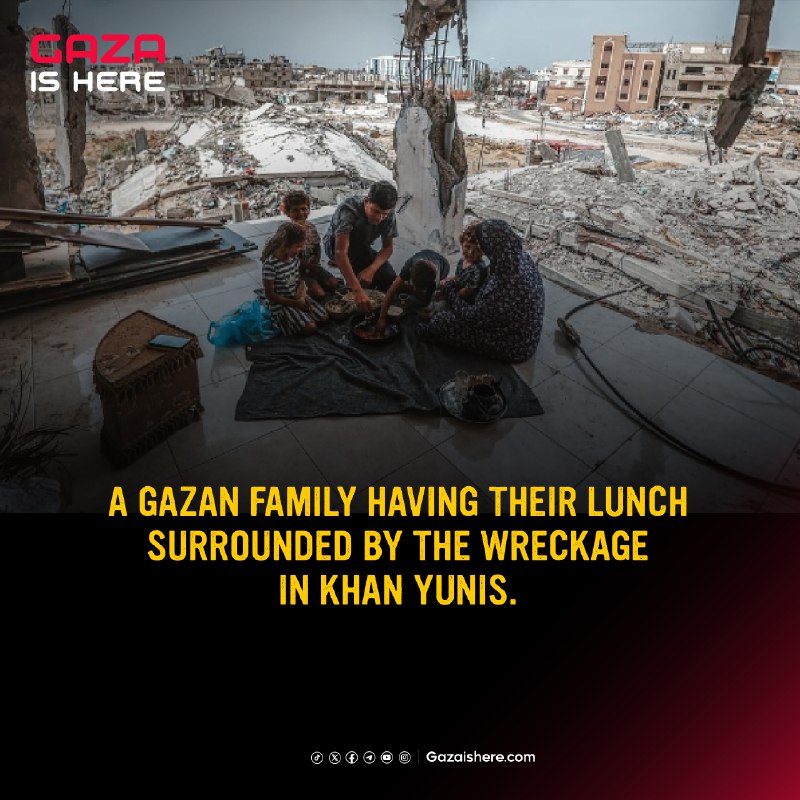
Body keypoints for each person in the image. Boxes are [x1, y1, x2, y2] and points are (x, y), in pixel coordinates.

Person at [416, 219, 545, 363]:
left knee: (442, 321)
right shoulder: (518, 257)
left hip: (514, 344)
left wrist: (449, 291)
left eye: (481, 246)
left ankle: (429, 331)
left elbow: (472, 317)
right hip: (525, 334)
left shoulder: (505, 280)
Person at [323, 180, 399, 313]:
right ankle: (345, 265)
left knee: (389, 277)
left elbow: (388, 248)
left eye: (384, 214)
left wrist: (371, 269)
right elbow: (340, 252)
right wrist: (357, 290)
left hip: (363, 246)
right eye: (376, 211)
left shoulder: (389, 213)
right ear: (366, 201)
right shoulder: (349, 209)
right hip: (336, 246)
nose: (380, 218)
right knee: (358, 282)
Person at [261, 222, 329, 336]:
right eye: (298, 246)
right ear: (285, 245)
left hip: (297, 299)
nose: (300, 250)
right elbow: (270, 295)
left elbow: (298, 279)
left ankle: (300, 316)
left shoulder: (293, 259)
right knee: (310, 328)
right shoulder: (270, 265)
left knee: (324, 318)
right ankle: (284, 321)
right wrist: (295, 304)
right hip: (282, 305)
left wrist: (303, 295)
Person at [280, 189, 339, 301]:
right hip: (297, 272)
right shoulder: (287, 233)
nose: (301, 213)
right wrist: (310, 267)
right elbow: (290, 259)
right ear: (288, 212)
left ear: (309, 209)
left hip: (313, 268)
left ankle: (313, 284)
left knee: (334, 283)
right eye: (295, 210)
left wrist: (315, 265)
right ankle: (298, 290)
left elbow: (317, 248)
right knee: (320, 294)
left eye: (304, 209)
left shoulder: (311, 227)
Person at [374, 249, 451, 333]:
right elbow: (391, 290)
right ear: (410, 271)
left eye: (421, 289)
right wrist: (382, 318)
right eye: (415, 287)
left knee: (424, 302)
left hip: (444, 265)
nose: (416, 290)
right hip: (424, 254)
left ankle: (421, 292)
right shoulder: (409, 265)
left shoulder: (434, 282)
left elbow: (428, 307)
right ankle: (413, 289)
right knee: (396, 285)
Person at [446, 222, 489, 301]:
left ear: (483, 252)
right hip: (457, 290)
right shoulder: (462, 261)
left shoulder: (478, 269)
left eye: (477, 250)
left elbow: (465, 293)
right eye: (467, 246)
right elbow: (458, 277)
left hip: (465, 300)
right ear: (462, 243)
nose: (470, 253)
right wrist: (446, 281)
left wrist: (448, 293)